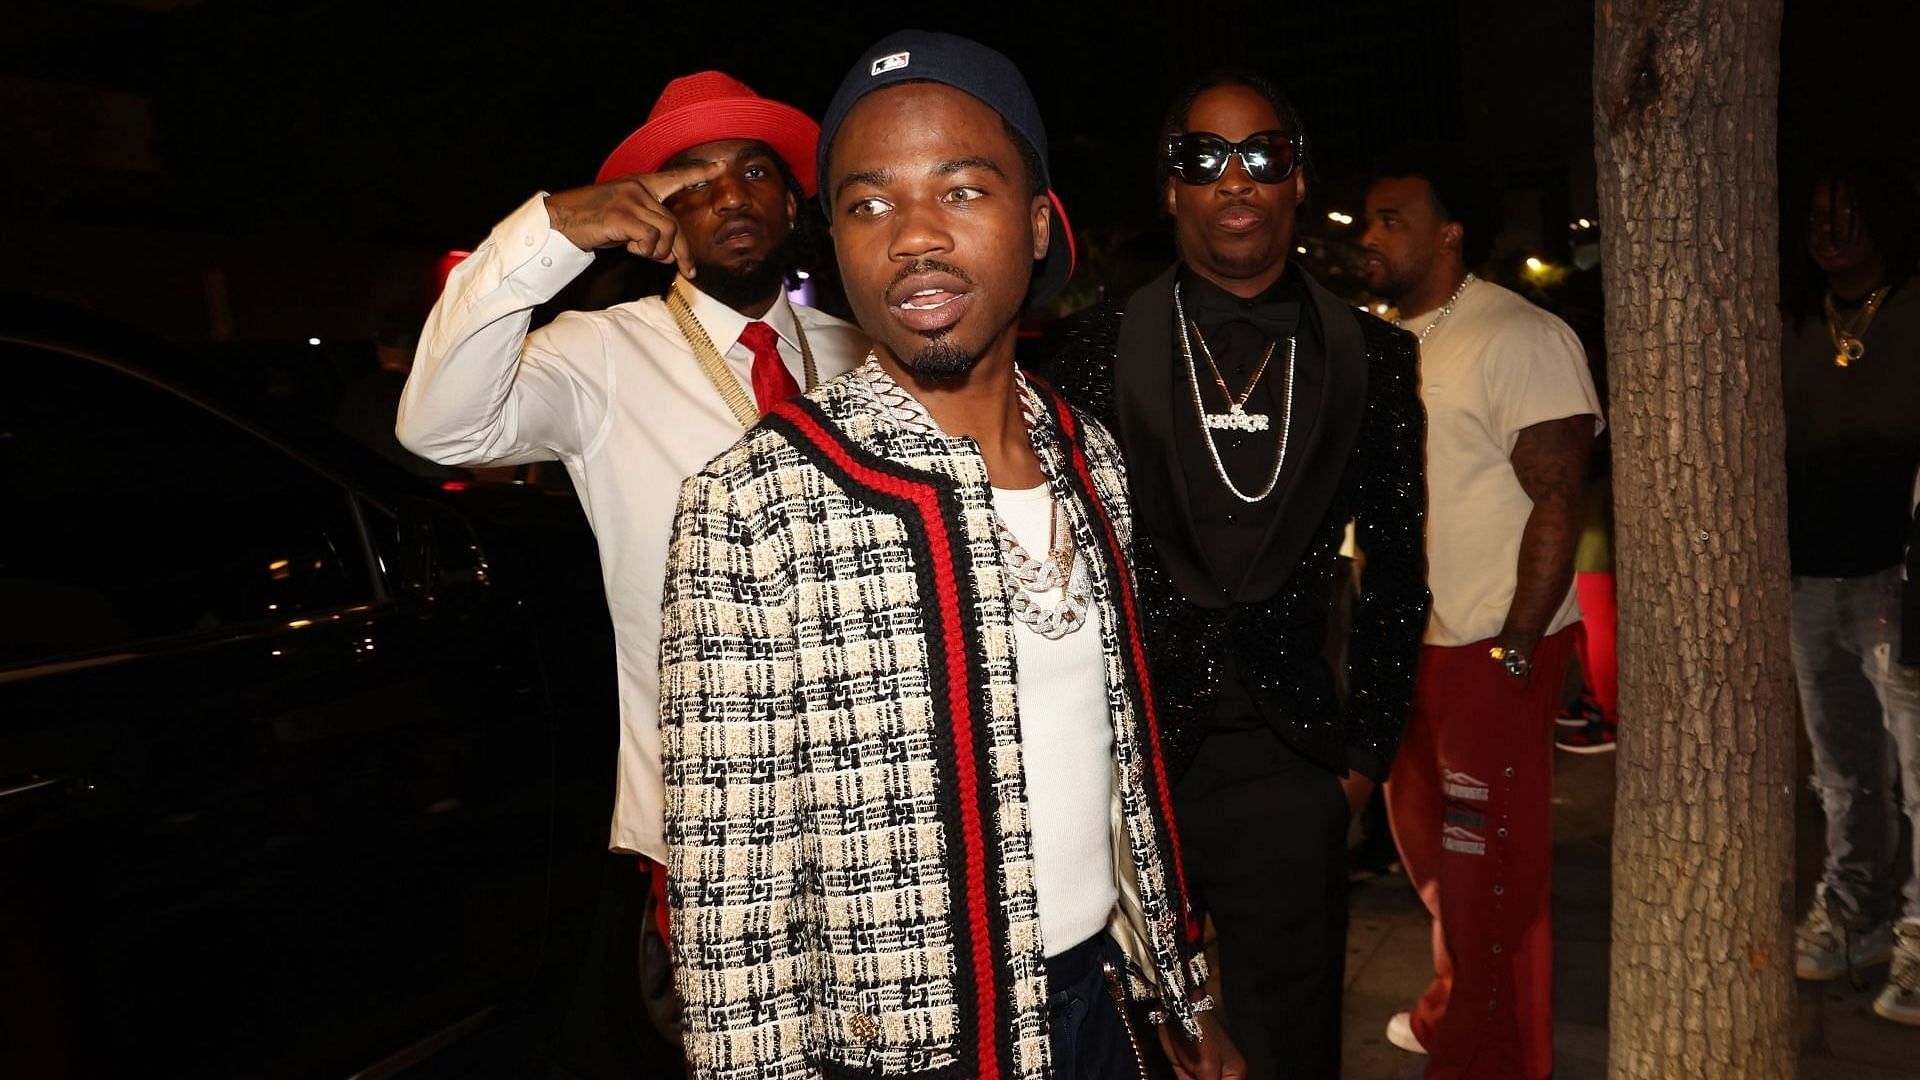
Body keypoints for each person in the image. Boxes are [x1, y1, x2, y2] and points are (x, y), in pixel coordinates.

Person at [658, 31, 1241, 1080]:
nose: (913, 237)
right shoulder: (752, 502)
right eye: (869, 203)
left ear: (1036, 222)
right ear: (833, 241)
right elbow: (733, 916)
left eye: (961, 190)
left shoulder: (1090, 453)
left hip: (1105, 1010)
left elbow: (1126, 774)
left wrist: (1183, 996)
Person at [393, 72, 868, 1063]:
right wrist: (551, 231)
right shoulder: (600, 356)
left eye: (753, 172)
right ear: (656, 216)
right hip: (717, 826)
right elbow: (437, 426)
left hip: (884, 804)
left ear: (793, 201)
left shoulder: (861, 350)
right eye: (692, 181)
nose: (730, 196)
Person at [1040, 70, 1430, 1077]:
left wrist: (1360, 765)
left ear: (1296, 179)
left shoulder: (1374, 358)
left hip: (1293, 766)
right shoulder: (1089, 350)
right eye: (1203, 159)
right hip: (1120, 764)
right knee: (1125, 1041)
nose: (1236, 178)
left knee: (1289, 1043)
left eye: (1263, 155)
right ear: (1170, 187)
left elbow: (1397, 569)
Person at [1359, 148, 1601, 1079]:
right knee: (1430, 858)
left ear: (1450, 231)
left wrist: (1517, 647)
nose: (1371, 236)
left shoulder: (1518, 334)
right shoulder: (1386, 338)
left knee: (1490, 866)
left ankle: (1497, 1055)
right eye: (1367, 220)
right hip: (1408, 641)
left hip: (1490, 645)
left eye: (1392, 218)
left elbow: (1557, 495)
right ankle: (1453, 1007)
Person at [1783, 161, 1920, 1027]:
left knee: (1917, 772)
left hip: (1901, 578)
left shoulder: (1914, 307)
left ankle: (1918, 933)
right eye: (1818, 214)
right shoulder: (1794, 318)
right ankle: (1854, 909)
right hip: (1808, 576)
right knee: (1840, 774)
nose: (1832, 230)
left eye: (1849, 212)